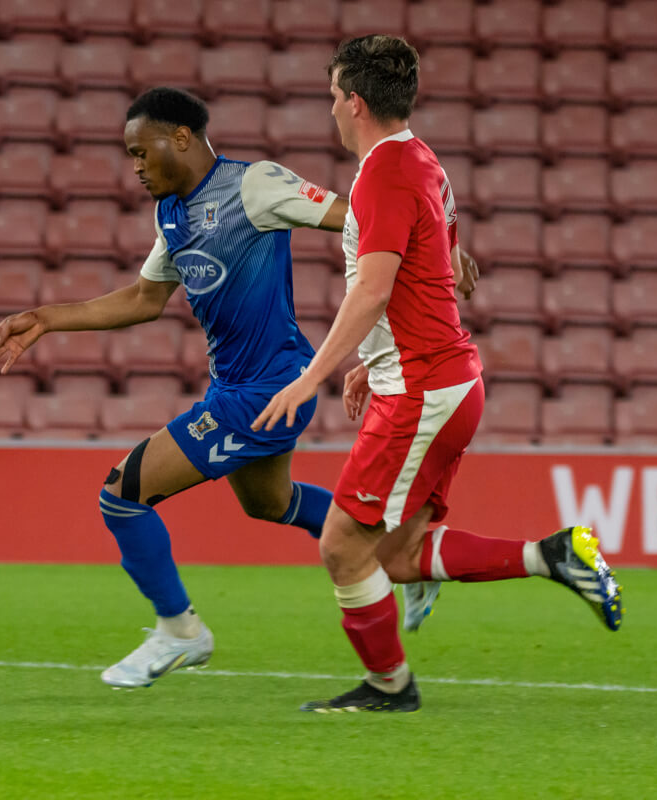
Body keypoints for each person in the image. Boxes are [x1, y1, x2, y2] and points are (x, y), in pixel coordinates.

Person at [0, 87, 463, 689]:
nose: (135, 166)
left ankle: (180, 631)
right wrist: (48, 318)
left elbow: (362, 215)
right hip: (234, 387)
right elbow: (145, 298)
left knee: (121, 494)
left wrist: (445, 248)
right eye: (130, 155)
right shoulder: (173, 214)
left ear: (180, 137)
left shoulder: (253, 185)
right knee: (268, 503)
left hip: (270, 388)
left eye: (140, 151)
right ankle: (404, 555)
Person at [252, 35, 624, 713]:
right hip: (443, 379)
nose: (331, 109)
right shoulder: (421, 160)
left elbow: (373, 288)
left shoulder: (385, 175)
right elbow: (444, 263)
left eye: (334, 96)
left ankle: (390, 688)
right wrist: (372, 359)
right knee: (396, 555)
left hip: (422, 387)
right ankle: (556, 556)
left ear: (355, 102)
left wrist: (312, 376)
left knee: (341, 547)